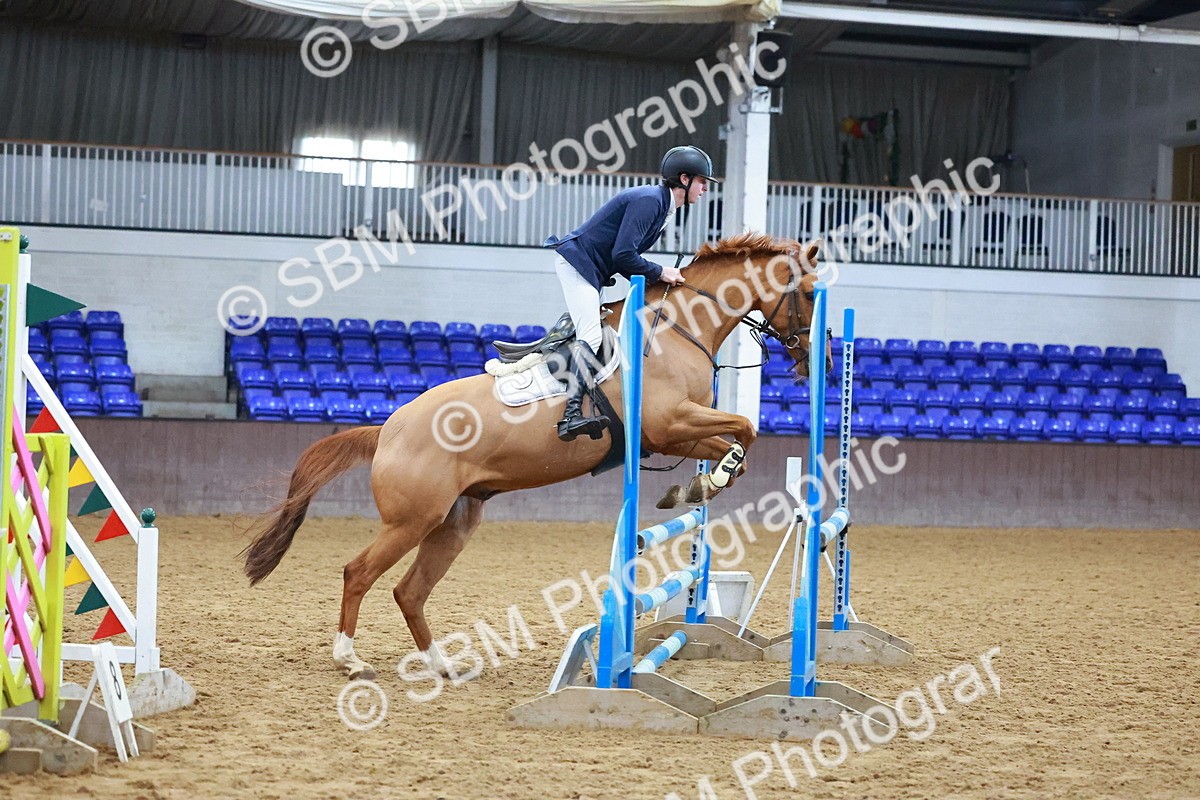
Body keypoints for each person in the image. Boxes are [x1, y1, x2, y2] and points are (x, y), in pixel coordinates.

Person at [543, 145, 719, 442]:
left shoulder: (662, 206)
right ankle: (570, 417)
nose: (705, 189)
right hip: (578, 264)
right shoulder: (651, 201)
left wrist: (656, 282)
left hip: (592, 269)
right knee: (592, 335)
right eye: (702, 181)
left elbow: (625, 256)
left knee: (597, 331)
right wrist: (661, 272)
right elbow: (624, 254)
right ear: (685, 178)